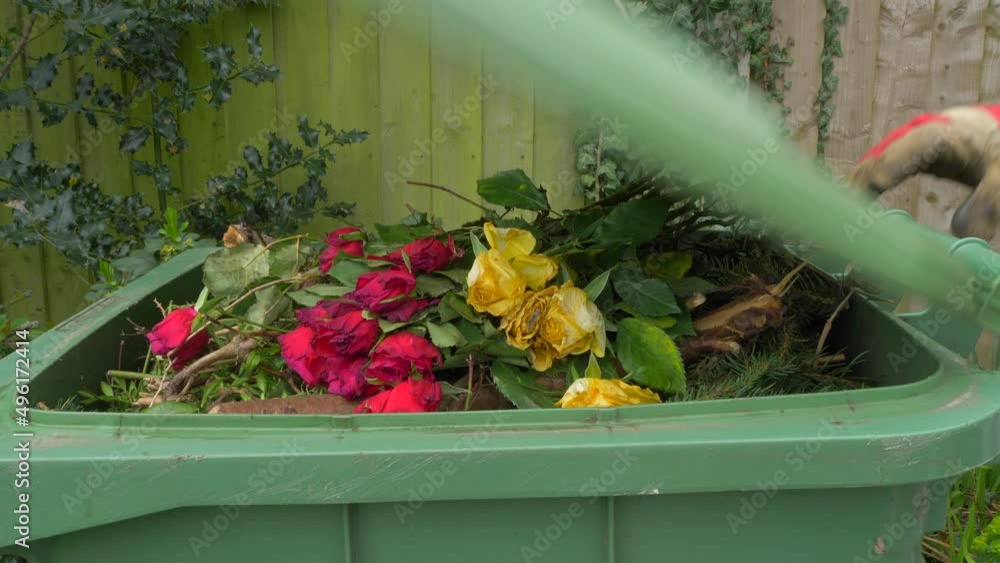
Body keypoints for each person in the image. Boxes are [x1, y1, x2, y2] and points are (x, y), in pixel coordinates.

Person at [847, 103, 1000, 241]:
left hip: (960, 133)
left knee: (917, 143)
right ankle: (972, 240)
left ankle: (972, 242)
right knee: (914, 145)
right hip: (958, 131)